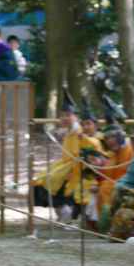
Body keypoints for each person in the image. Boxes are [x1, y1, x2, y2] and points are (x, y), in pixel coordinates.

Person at [32, 88, 102, 223]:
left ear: (75, 116)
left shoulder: (79, 131)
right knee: (41, 179)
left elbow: (90, 148)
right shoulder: (70, 131)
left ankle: (67, 212)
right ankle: (62, 211)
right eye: (62, 115)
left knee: (52, 178)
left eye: (68, 115)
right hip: (67, 164)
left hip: (79, 167)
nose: (64, 118)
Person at [96, 95, 134, 233]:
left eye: (112, 136)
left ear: (120, 135)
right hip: (111, 187)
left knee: (107, 189)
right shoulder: (113, 154)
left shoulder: (131, 149)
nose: (109, 141)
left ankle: (109, 225)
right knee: (102, 187)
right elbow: (108, 174)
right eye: (107, 138)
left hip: (128, 187)